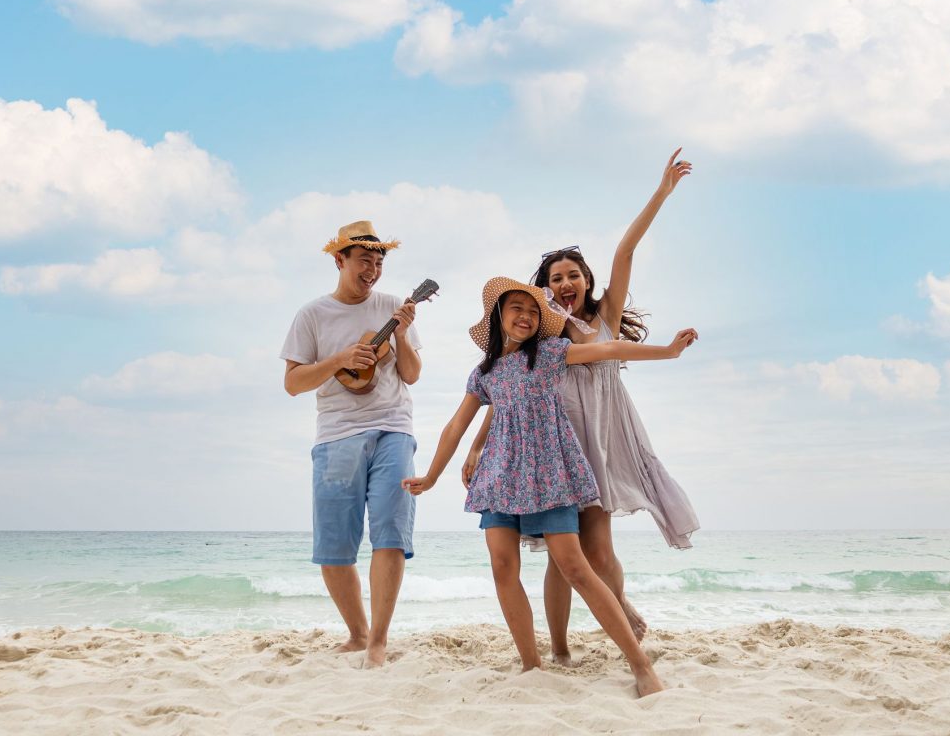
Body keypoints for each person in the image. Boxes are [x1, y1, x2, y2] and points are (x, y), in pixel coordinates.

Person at [403, 277, 697, 697]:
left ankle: (642, 666)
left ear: (540, 321)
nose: (524, 315)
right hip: (499, 478)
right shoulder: (484, 373)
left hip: (550, 475)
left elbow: (610, 349)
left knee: (575, 568)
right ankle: (531, 665)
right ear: (498, 318)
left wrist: (667, 352)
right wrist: (431, 476)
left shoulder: (550, 354)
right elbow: (456, 425)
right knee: (503, 568)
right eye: (515, 308)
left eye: (532, 309)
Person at [462, 149, 699, 664]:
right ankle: (564, 647)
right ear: (545, 291)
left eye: (573, 275)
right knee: (562, 554)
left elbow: (626, 249)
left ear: (587, 281)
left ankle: (622, 621)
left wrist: (662, 191)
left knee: (597, 550)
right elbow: (503, 397)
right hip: (557, 446)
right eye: (555, 279)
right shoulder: (540, 341)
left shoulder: (605, 321)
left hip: (608, 437)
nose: (566, 284)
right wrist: (478, 447)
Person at [280, 220, 422, 668]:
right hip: (336, 433)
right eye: (365, 261)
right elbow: (292, 383)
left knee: (391, 532)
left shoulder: (395, 306)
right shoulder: (312, 315)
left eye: (379, 263)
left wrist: (400, 334)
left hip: (393, 427)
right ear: (339, 260)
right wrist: (340, 359)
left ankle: (378, 641)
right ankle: (358, 634)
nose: (373, 271)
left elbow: (413, 374)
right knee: (335, 545)